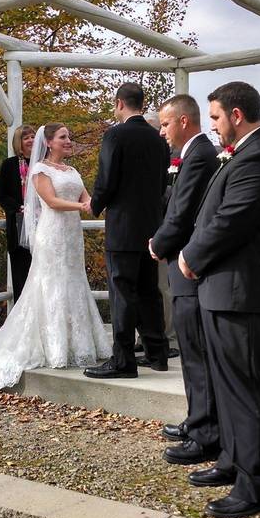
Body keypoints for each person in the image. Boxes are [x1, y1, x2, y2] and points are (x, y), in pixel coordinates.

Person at [178, 82, 260, 518]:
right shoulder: (243, 153)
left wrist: (191, 255)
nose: (213, 126)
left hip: (241, 293)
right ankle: (231, 462)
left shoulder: (259, 157)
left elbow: (230, 221)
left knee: (246, 390)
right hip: (224, 290)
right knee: (227, 387)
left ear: (237, 115)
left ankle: (257, 485)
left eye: (217, 118)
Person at [0, 123, 111, 392]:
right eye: (63, 137)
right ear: (49, 142)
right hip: (52, 234)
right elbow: (51, 202)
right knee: (50, 283)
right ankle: (54, 347)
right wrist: (81, 206)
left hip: (72, 235)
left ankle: (77, 342)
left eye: (68, 137)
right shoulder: (40, 170)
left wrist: (99, 203)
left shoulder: (73, 171)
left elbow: (88, 197)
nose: (68, 141)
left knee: (74, 281)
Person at [148, 95, 225, 472]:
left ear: (181, 121)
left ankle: (206, 434)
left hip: (188, 265)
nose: (161, 131)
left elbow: (183, 210)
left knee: (196, 354)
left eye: (164, 124)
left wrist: (159, 243)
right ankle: (197, 422)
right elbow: (172, 201)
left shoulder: (200, 155)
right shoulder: (192, 153)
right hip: (183, 263)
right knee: (192, 353)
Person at [85, 82, 170, 378]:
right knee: (149, 291)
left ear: (119, 103)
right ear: (141, 103)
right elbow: (162, 184)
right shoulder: (158, 139)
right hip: (151, 227)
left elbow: (106, 179)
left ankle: (123, 361)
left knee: (122, 292)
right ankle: (158, 354)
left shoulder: (115, 134)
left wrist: (95, 205)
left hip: (123, 227)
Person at [0, 125, 36, 300]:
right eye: (26, 137)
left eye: (33, 137)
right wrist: (19, 208)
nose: (30, 140)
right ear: (18, 142)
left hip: (42, 222)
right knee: (21, 272)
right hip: (18, 223)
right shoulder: (9, 165)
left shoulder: (42, 164)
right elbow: (2, 195)